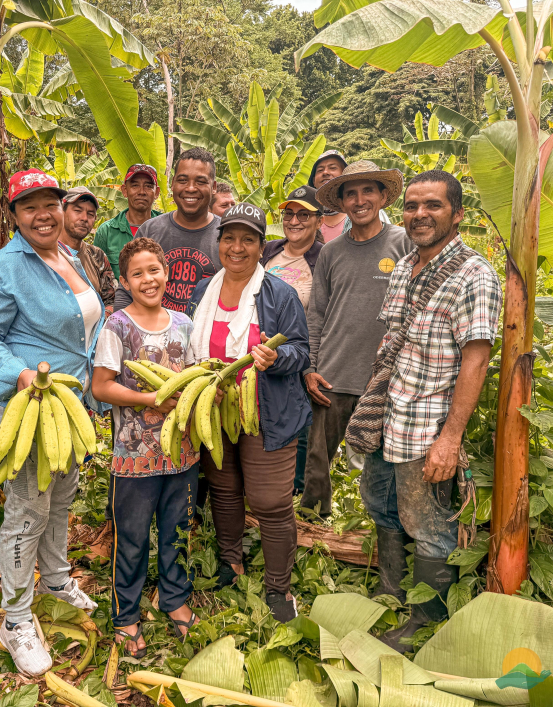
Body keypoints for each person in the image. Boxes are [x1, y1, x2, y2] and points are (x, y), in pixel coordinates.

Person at [0, 169, 102, 675]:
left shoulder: (68, 256)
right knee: (29, 505)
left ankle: (56, 581)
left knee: (61, 496)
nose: (43, 214)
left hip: (68, 402)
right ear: (15, 216)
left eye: (51, 203)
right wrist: (19, 372)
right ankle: (16, 619)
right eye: (30, 207)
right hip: (23, 405)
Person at [363, 170, 501, 651]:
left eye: (433, 206)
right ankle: (390, 591)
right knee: (381, 505)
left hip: (427, 427)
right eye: (413, 206)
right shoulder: (405, 265)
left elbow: (476, 358)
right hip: (389, 416)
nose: (420, 214)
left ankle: (424, 621)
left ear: (457, 214)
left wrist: (450, 438)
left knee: (430, 529)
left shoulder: (472, 274)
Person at [186, 203, 311, 623]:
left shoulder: (280, 293)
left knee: (270, 501)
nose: (237, 247)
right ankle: (230, 561)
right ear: (219, 242)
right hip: (216, 409)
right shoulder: (203, 290)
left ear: (261, 246)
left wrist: (276, 359)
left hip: (266, 411)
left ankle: (278, 589)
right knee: (224, 489)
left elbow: (301, 350)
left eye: (248, 239)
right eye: (229, 238)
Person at [91, 239, 199, 657]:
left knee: (177, 533)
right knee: (131, 538)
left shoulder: (183, 323)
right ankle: (126, 614)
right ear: (125, 281)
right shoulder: (117, 326)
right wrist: (153, 400)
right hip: (133, 454)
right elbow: (102, 386)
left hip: (183, 452)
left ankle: (175, 599)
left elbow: (192, 376)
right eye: (137, 273)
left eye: (153, 270)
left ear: (166, 273)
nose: (147, 279)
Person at [303, 161, 412, 521]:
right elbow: (316, 314)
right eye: (351, 193)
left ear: (383, 197)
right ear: (343, 202)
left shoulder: (403, 243)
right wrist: (311, 368)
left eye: (368, 191)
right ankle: (313, 529)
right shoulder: (331, 252)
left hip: (384, 378)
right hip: (333, 374)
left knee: (381, 462)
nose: (360, 200)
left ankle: (376, 533)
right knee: (318, 461)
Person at [260, 185, 324, 498]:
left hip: (303, 355)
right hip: (263, 354)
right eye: (289, 214)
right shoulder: (268, 251)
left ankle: (295, 495)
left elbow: (329, 312)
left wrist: (313, 363)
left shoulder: (323, 258)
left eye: (303, 214)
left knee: (302, 432)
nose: (294, 221)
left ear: (318, 220)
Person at [114, 147, 222, 312]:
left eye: (200, 181)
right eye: (183, 180)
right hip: (155, 333)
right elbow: (127, 289)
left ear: (213, 187)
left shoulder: (226, 235)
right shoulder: (150, 231)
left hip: (209, 334)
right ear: (172, 184)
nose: (190, 188)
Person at [94, 164, 162, 279]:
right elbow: (96, 276)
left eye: (148, 186)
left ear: (156, 192)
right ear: (125, 190)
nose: (141, 192)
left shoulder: (167, 227)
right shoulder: (106, 232)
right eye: (135, 185)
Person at [59, 186, 117, 313]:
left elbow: (111, 301)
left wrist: (99, 323)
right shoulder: (47, 253)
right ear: (62, 212)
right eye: (77, 210)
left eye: (90, 214)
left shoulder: (97, 256)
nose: (84, 218)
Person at [309, 151, 348, 242]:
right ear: (314, 181)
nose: (325, 172)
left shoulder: (365, 210)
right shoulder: (303, 216)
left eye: (333, 168)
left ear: (345, 176)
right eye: (320, 170)